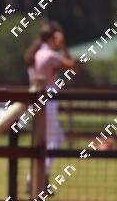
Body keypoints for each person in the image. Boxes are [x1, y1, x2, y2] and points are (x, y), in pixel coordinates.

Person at [24, 21, 79, 176]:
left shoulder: (36, 53)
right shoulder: (49, 55)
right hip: (47, 101)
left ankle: (38, 177)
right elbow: (73, 67)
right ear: (53, 37)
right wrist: (63, 46)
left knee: (54, 139)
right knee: (52, 140)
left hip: (37, 100)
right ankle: (37, 177)